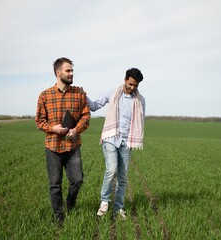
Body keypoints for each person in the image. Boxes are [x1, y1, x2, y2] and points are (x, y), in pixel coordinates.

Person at [35, 57, 90, 226]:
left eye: (72, 70)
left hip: (73, 146)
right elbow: (39, 121)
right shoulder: (45, 95)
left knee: (77, 180)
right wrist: (53, 128)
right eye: (68, 71)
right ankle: (59, 215)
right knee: (55, 184)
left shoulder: (79, 94)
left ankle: (70, 203)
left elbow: (86, 116)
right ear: (58, 73)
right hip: (53, 147)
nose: (71, 73)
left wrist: (76, 130)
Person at [87, 68, 145, 220]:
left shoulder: (140, 100)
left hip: (127, 141)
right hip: (111, 137)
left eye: (136, 86)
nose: (132, 88)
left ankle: (118, 209)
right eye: (131, 84)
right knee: (111, 169)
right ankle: (105, 201)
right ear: (125, 79)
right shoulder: (113, 93)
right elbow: (94, 106)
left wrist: (135, 138)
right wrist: (83, 96)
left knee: (123, 177)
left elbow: (140, 121)